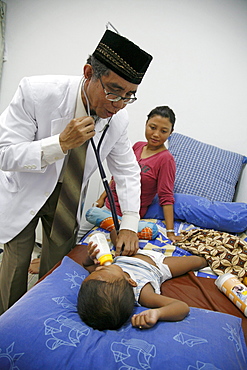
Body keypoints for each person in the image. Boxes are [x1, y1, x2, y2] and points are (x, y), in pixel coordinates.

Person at [0, 28, 152, 314]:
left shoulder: (118, 120)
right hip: (26, 186)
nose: (118, 104)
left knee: (56, 267)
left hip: (68, 196)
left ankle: (41, 317)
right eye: (113, 90)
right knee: (16, 266)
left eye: (129, 95)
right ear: (88, 72)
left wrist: (130, 222)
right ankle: (6, 326)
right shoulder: (37, 92)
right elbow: (4, 154)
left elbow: (128, 170)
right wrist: (58, 144)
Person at [77, 230, 208, 331]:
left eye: (97, 270)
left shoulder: (105, 278)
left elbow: (88, 266)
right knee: (198, 261)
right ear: (131, 282)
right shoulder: (144, 293)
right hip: (157, 265)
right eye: (103, 270)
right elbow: (182, 307)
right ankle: (205, 260)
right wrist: (158, 313)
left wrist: (91, 257)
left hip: (126, 256)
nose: (98, 267)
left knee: (115, 233)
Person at [85, 106, 180, 242]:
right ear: (146, 124)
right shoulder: (137, 146)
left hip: (129, 217)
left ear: (171, 132)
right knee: (78, 235)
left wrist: (170, 232)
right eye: (152, 127)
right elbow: (118, 176)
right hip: (107, 207)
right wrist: (101, 199)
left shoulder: (166, 160)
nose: (156, 134)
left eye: (163, 131)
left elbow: (166, 196)